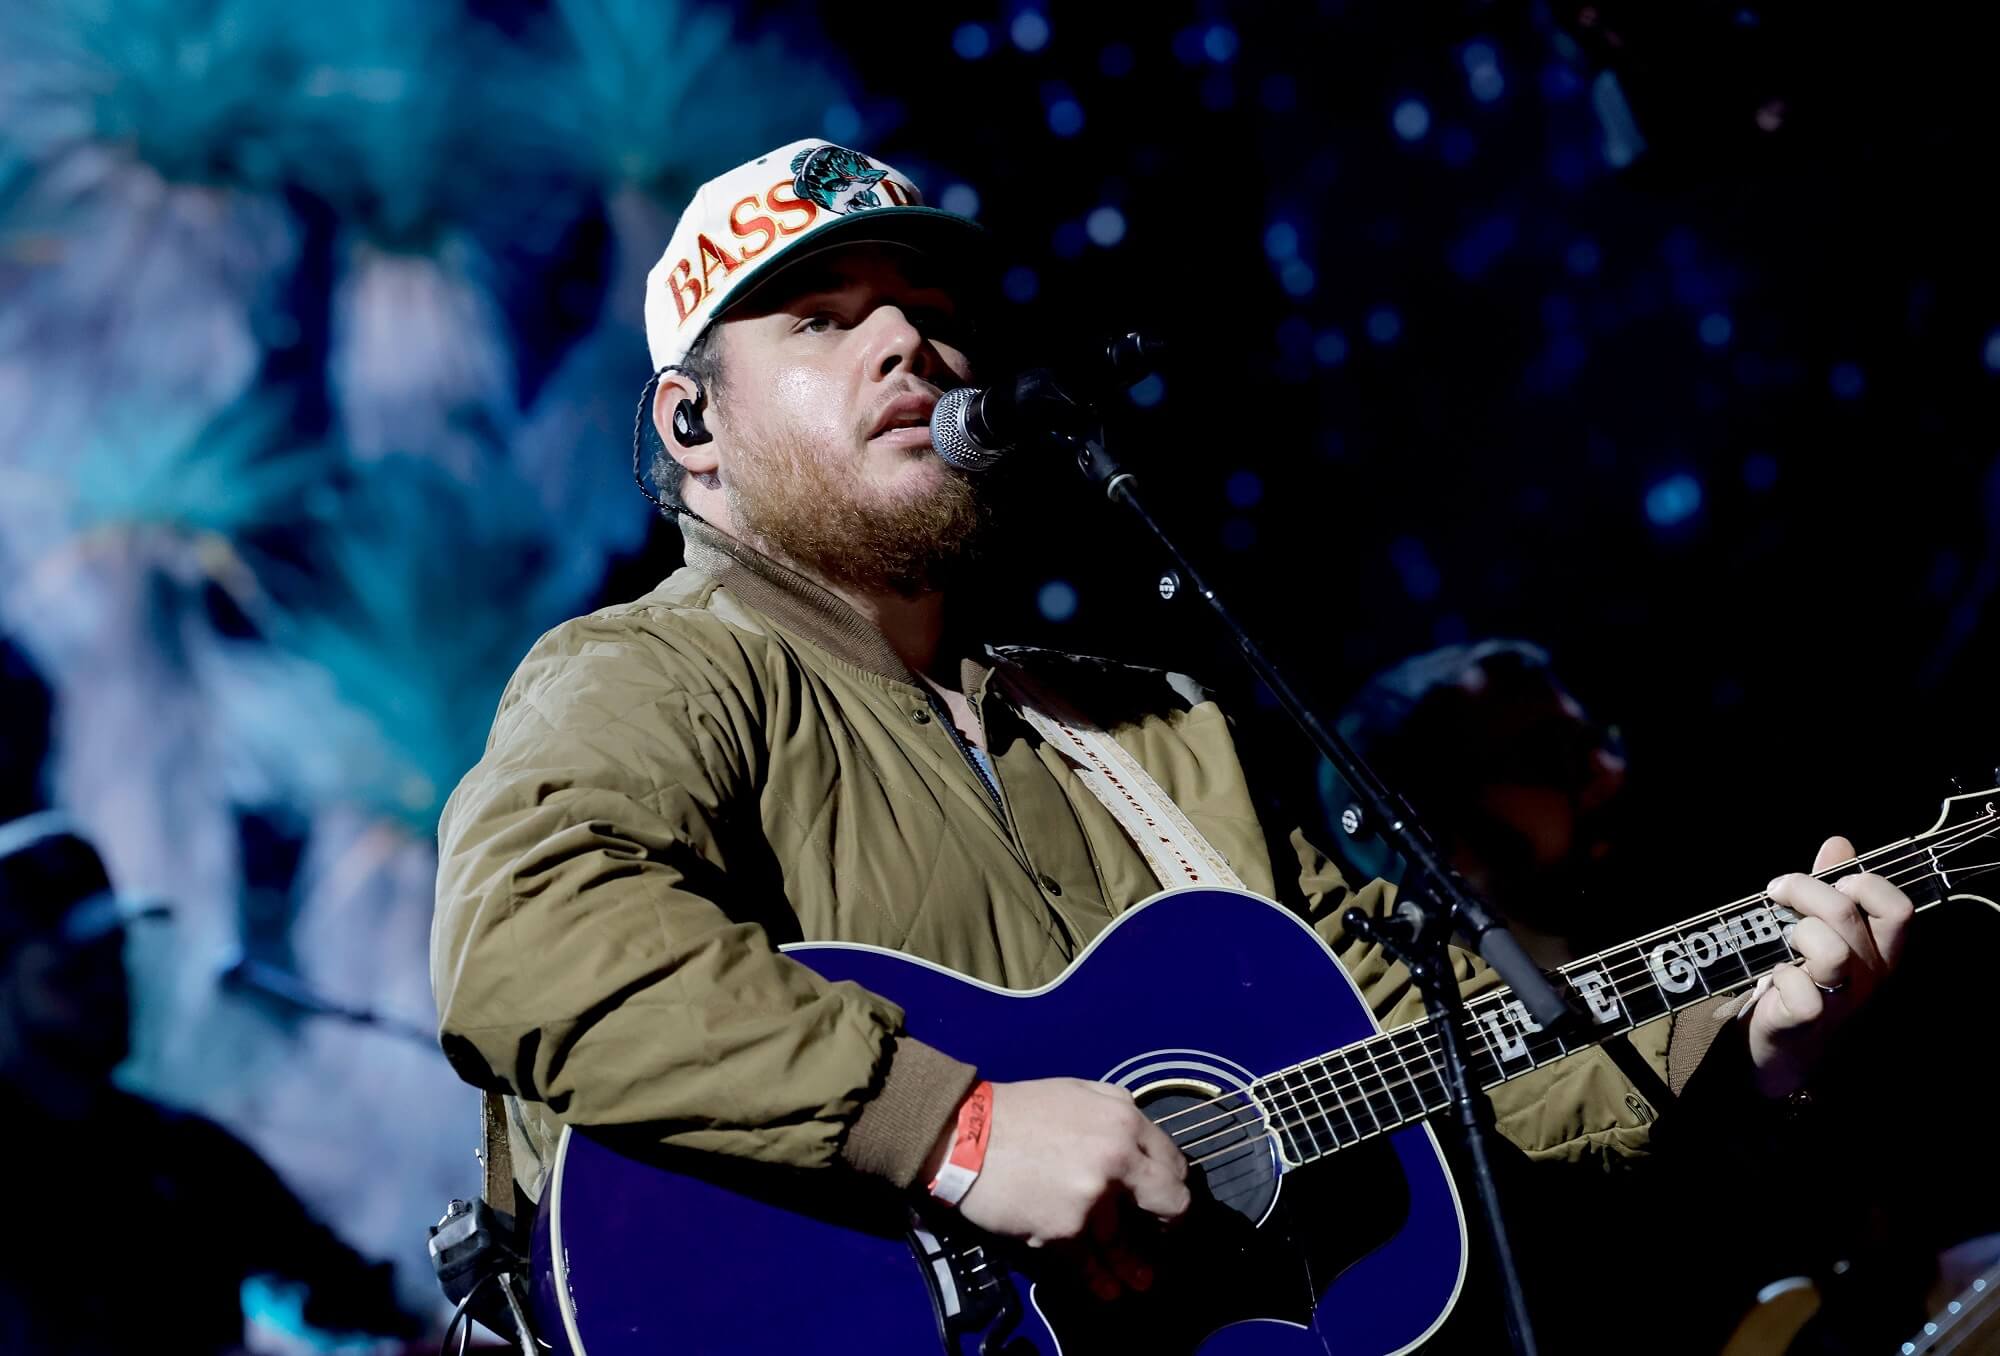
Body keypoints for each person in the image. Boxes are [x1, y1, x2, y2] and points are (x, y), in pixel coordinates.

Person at [431, 140, 1914, 1347]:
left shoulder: (1152, 730)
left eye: (929, 306)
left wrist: (1739, 1041)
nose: (907, 339)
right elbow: (529, 942)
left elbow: (1423, 1038)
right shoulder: (650, 673)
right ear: (692, 423)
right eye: (820, 318)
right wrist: (956, 1130)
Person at [0, 812, 419, 1355]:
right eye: (73, 968)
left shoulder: (178, 1153)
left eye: (116, 955)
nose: (110, 986)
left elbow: (355, 1296)